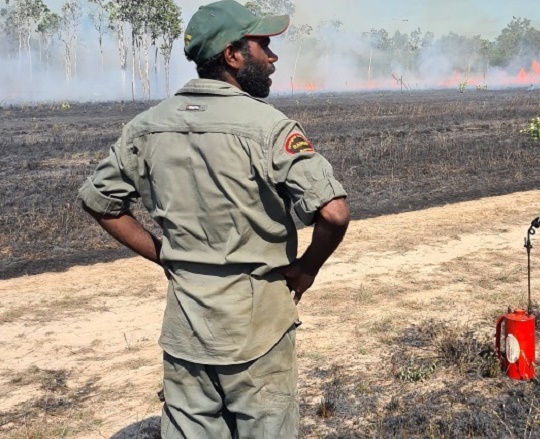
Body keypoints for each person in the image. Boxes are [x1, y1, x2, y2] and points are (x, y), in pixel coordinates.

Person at [77, 0, 350, 437]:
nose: (273, 57)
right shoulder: (271, 128)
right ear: (232, 55)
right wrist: (307, 270)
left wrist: (164, 254)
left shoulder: (147, 127)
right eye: (263, 45)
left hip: (186, 333)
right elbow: (334, 213)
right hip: (258, 331)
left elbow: (99, 200)